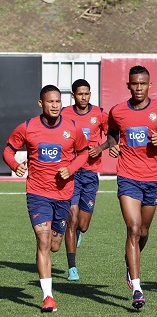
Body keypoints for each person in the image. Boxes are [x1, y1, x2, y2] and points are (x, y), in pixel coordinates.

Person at [106, 65, 157, 308]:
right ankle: (137, 287)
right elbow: (112, 134)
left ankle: (130, 261)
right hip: (127, 177)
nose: (139, 88)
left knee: (142, 232)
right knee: (132, 228)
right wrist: (112, 145)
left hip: (152, 180)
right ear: (128, 86)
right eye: (135, 84)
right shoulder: (118, 111)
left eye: (143, 84)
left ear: (149, 85)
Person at [3, 85, 89, 312]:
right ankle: (48, 297)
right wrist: (15, 165)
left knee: (54, 245)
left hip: (63, 195)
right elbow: (8, 150)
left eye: (58, 102)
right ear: (41, 104)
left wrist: (70, 169)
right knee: (42, 241)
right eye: (50, 102)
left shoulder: (72, 128)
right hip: (37, 194)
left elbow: (83, 153)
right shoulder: (28, 127)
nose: (55, 105)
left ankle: (62, 240)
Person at [60, 79, 109, 282]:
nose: (84, 97)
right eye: (80, 94)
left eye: (87, 94)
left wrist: (101, 148)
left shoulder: (99, 113)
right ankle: (72, 268)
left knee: (83, 224)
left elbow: (113, 136)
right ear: (73, 95)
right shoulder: (64, 114)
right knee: (71, 220)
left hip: (90, 173)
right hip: (72, 173)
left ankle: (80, 232)